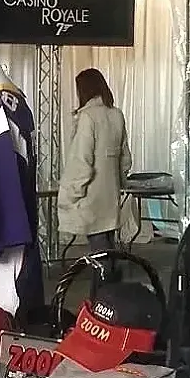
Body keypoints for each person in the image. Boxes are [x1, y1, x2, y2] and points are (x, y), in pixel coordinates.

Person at [57, 68, 132, 271]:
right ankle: (112, 289)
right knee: (109, 249)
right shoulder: (117, 115)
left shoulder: (87, 117)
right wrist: (119, 182)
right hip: (111, 195)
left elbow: (81, 162)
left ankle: (104, 290)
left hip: (91, 196)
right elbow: (125, 159)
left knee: (100, 256)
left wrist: (69, 195)